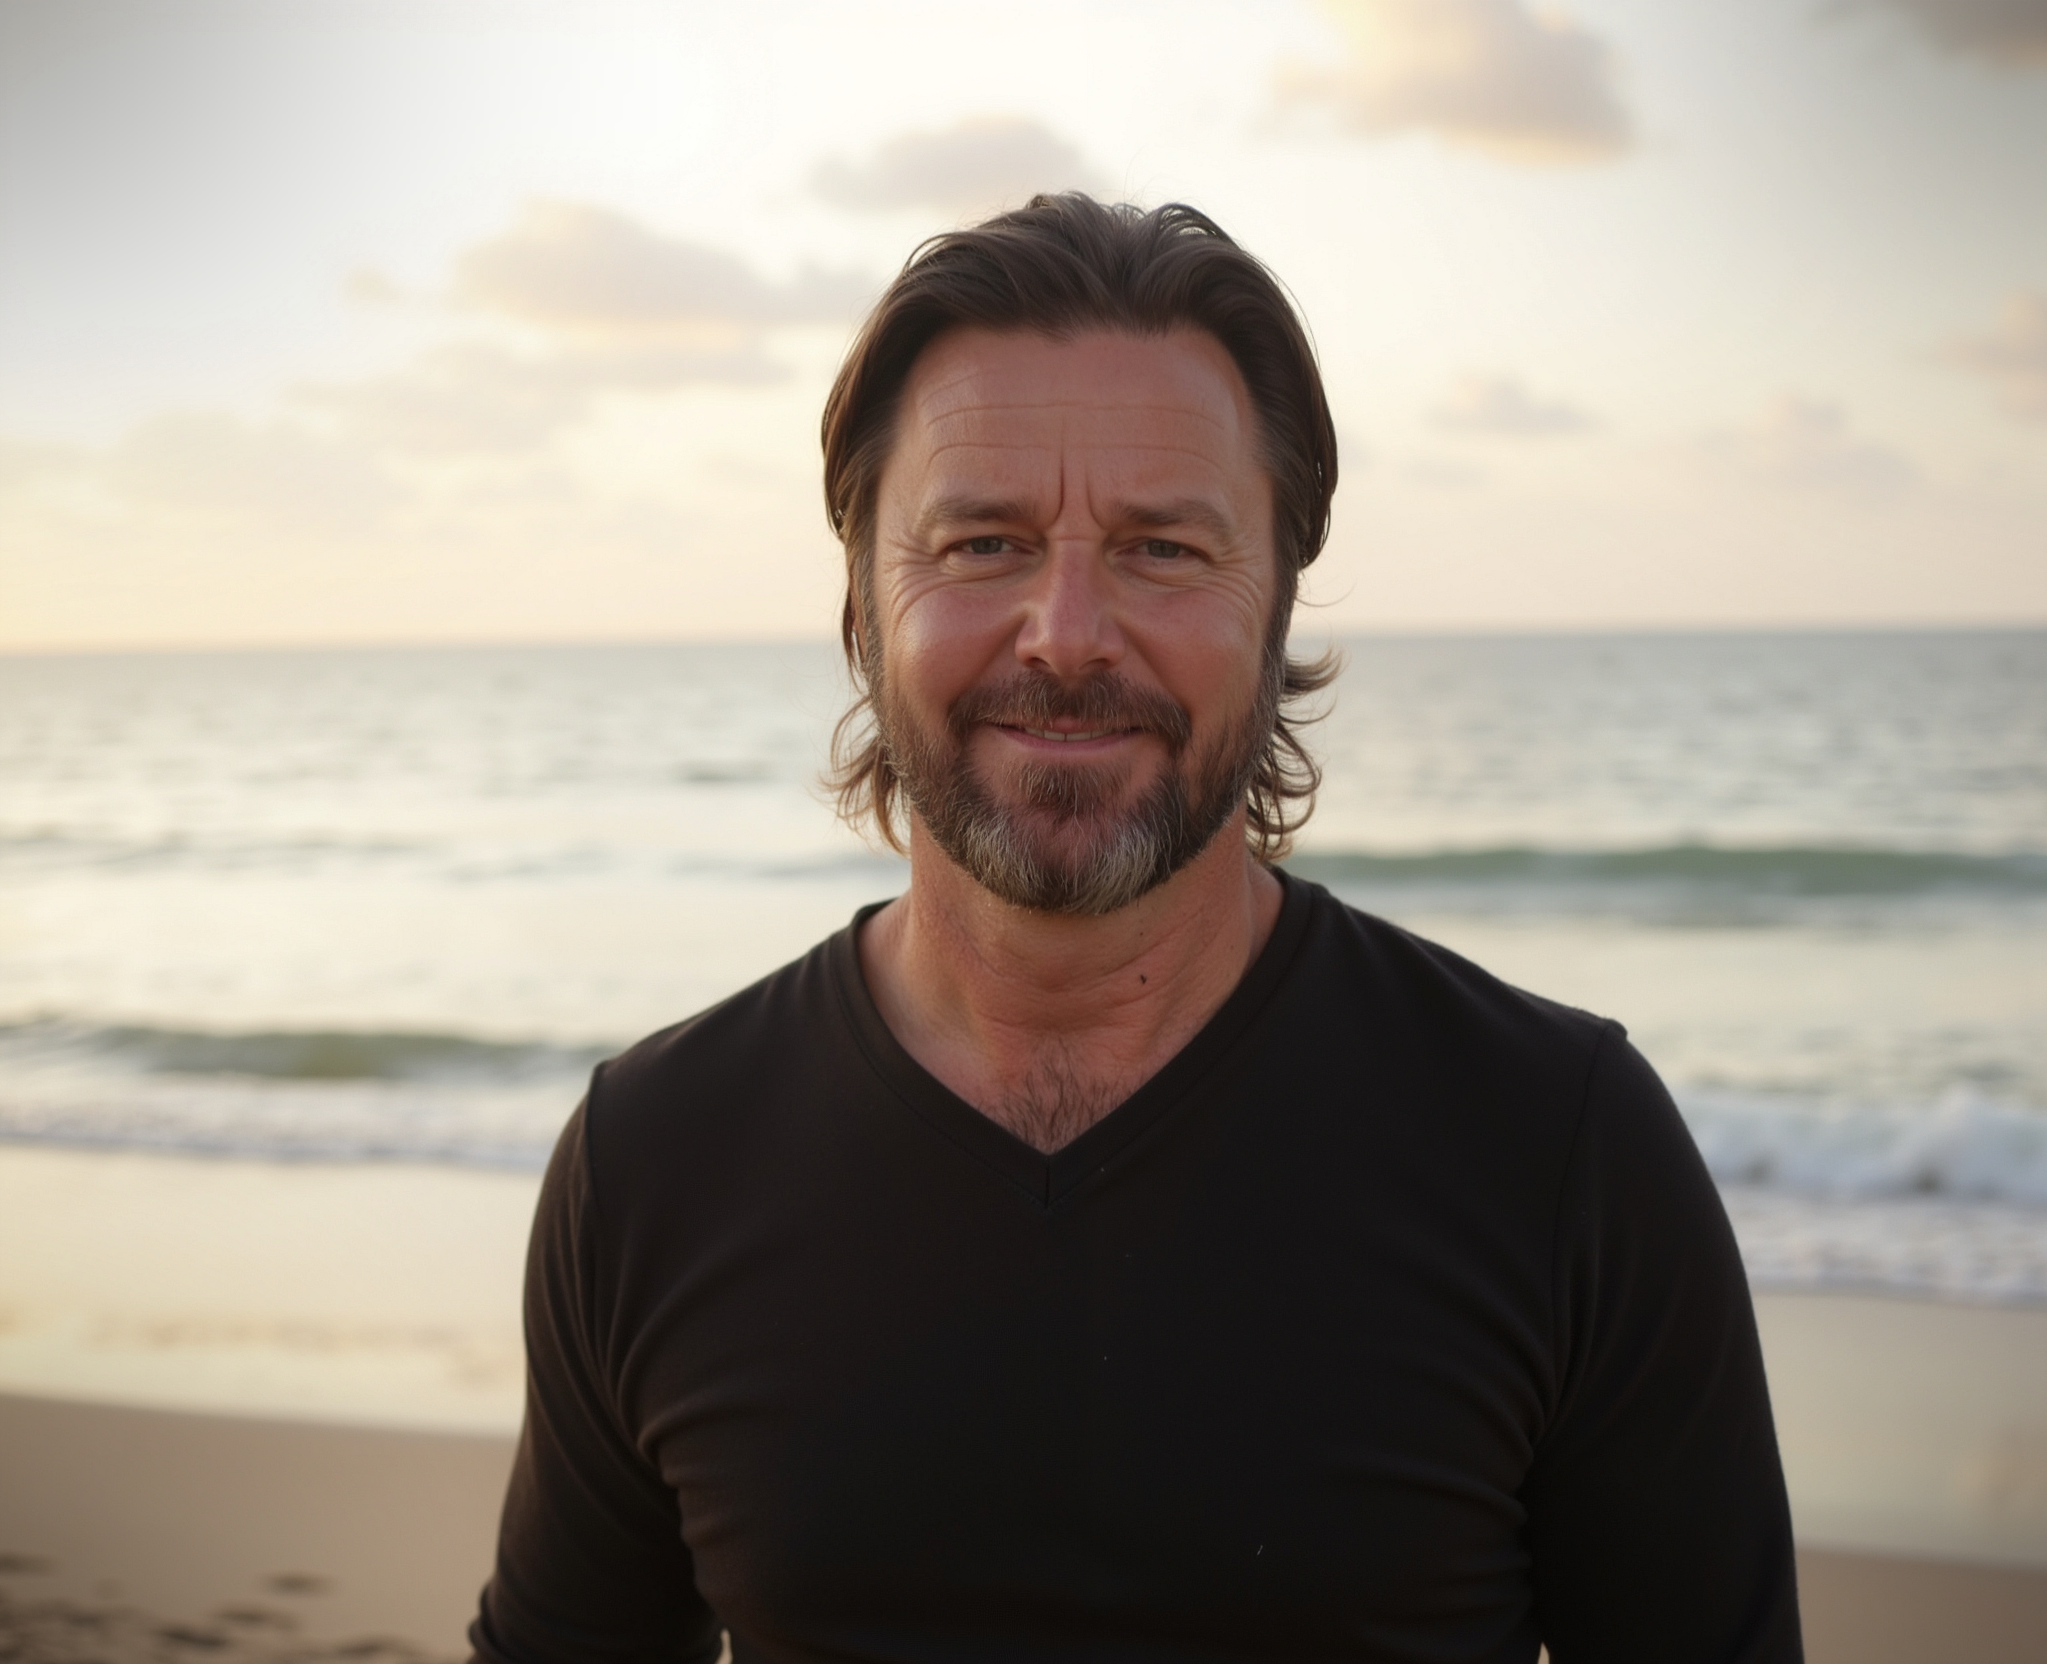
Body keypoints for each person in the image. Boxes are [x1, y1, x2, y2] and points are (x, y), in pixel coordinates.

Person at [469, 195, 1800, 1664]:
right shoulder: (656, 1161)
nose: (1067, 632)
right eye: (982, 542)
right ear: (861, 604)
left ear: (1275, 608)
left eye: (1163, 549)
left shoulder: (1560, 1151)